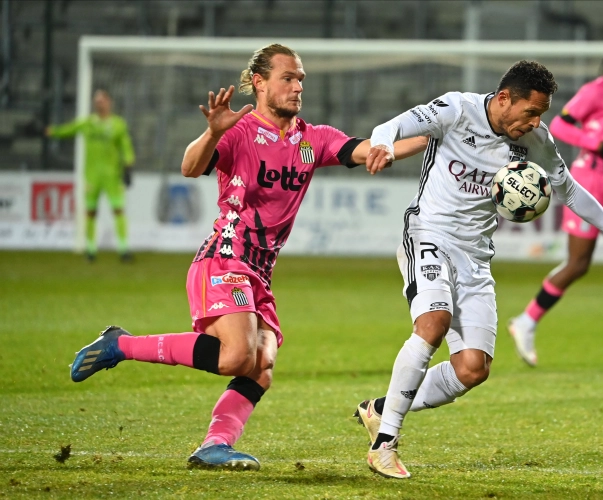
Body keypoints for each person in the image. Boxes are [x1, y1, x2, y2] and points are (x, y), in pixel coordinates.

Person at [69, 44, 427, 470]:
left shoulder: (313, 139)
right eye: (288, 79)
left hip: (260, 272)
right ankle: (121, 344)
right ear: (259, 83)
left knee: (261, 365)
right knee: (237, 355)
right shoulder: (239, 131)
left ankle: (213, 446)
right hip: (224, 258)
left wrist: (437, 137)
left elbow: (371, 150)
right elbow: (189, 166)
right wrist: (213, 132)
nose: (297, 88)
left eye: (300, 80)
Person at [354, 60, 603, 479]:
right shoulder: (456, 110)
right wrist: (382, 145)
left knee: (473, 369)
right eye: (531, 112)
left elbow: (568, 189)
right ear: (503, 99)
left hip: (475, 256)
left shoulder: (535, 139)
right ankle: (385, 443)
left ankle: (381, 408)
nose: (535, 122)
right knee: (433, 322)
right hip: (429, 235)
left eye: (542, 115)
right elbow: (392, 126)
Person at [507, 41, 603, 371]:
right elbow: (563, 125)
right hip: (590, 181)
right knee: (578, 264)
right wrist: (601, 145)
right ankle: (526, 321)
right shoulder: (598, 90)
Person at [46, 89, 135, 262]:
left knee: (118, 210)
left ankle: (124, 250)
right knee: (90, 213)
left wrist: (129, 165)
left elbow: (126, 146)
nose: (99, 103)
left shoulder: (118, 124)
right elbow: (69, 129)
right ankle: (91, 250)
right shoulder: (88, 123)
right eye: (97, 100)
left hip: (112, 176)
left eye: (102, 100)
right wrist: (51, 131)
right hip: (92, 175)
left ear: (110, 102)